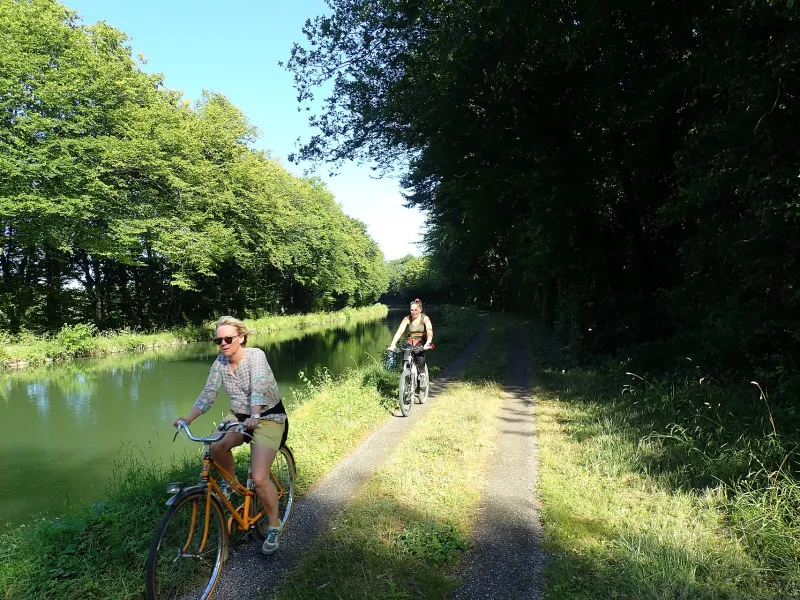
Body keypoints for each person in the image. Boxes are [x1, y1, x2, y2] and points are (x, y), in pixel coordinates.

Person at [174, 316, 287, 556]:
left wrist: (255, 415)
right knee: (215, 447)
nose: (223, 344)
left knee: (259, 476)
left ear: (241, 338)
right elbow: (208, 394)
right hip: (238, 416)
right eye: (219, 340)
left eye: (228, 338)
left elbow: (258, 386)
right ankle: (230, 482)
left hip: (267, 417)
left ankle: (274, 525)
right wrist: (187, 419)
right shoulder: (220, 363)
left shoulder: (256, 356)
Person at [388, 298, 434, 388]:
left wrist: (428, 343)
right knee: (406, 354)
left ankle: (422, 375)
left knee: (420, 355)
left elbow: (429, 331)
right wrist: (392, 344)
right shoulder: (407, 318)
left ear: (420, 310)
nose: (413, 312)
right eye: (412, 310)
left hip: (422, 341)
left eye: (416, 310)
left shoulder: (425, 318)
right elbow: (400, 331)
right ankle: (407, 377)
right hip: (411, 341)